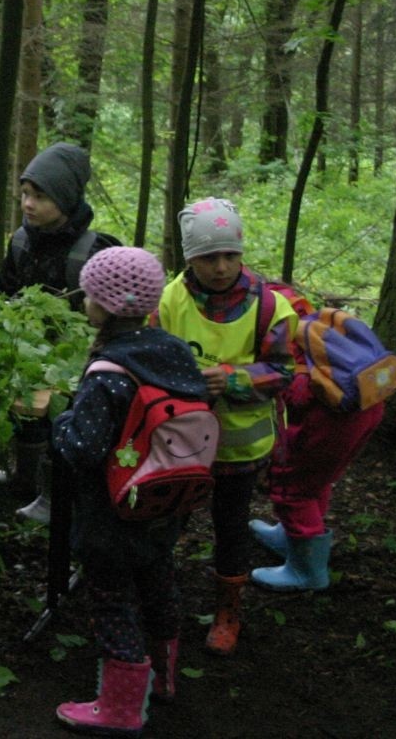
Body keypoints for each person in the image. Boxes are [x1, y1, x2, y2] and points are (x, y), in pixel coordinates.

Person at [52, 247, 206, 738]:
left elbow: (83, 448)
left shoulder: (109, 372)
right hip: (167, 497)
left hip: (114, 509)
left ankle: (121, 708)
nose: (85, 302)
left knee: (112, 598)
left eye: (88, 295)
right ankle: (163, 677)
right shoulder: (175, 352)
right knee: (158, 582)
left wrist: (60, 422)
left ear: (103, 305)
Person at [153, 197, 296, 657]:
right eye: (208, 257)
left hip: (239, 448)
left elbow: (285, 372)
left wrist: (236, 379)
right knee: (165, 522)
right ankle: (156, 598)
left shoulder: (270, 307)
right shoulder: (170, 299)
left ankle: (227, 611)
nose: (220, 267)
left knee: (231, 527)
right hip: (181, 442)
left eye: (230, 255)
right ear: (189, 258)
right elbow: (152, 355)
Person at [0, 142, 123, 523]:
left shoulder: (94, 250)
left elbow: (113, 313)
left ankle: (56, 495)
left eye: (40, 196)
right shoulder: (21, 241)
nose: (28, 204)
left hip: (77, 361)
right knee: (26, 418)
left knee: (63, 424)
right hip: (27, 354)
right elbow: (4, 290)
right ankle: (25, 479)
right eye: (25, 194)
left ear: (65, 200)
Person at [249, 288, 384, 592]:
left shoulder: (283, 340)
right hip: (367, 406)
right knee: (316, 480)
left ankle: (307, 569)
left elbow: (296, 397)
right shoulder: (311, 325)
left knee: (292, 487)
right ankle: (290, 536)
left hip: (333, 420)